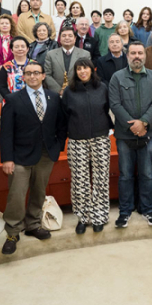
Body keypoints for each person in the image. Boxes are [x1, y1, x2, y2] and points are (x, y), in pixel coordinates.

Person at [0, 62, 65, 254]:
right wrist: (7, 159)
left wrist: (58, 146)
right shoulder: (13, 99)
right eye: (28, 73)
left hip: (46, 154)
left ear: (43, 76)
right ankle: (12, 232)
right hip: (19, 156)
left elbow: (61, 125)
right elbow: (6, 132)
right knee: (17, 195)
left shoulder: (54, 98)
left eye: (36, 73)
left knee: (39, 191)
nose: (32, 76)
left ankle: (33, 225)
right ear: (23, 77)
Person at [109, 41, 152, 227]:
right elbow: (115, 104)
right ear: (127, 55)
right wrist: (133, 125)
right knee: (125, 175)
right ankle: (125, 211)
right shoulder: (117, 77)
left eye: (140, 53)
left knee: (147, 174)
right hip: (125, 135)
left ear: (145, 56)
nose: (137, 56)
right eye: (133, 53)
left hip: (148, 134)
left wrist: (144, 123)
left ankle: (149, 210)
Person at [61, 58, 114, 234]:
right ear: (75, 72)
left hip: (100, 138)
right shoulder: (69, 91)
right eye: (79, 69)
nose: (83, 71)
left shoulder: (102, 88)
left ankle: (99, 216)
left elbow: (108, 110)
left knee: (101, 178)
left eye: (86, 68)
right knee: (79, 180)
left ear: (92, 70)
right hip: (77, 140)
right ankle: (82, 217)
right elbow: (64, 115)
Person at [43, 28, 90, 94]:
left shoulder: (85, 54)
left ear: (75, 38)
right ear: (60, 39)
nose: (67, 38)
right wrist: (59, 90)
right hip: (56, 93)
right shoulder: (51, 54)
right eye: (64, 36)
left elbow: (87, 74)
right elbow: (47, 74)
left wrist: (74, 89)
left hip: (78, 92)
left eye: (70, 36)